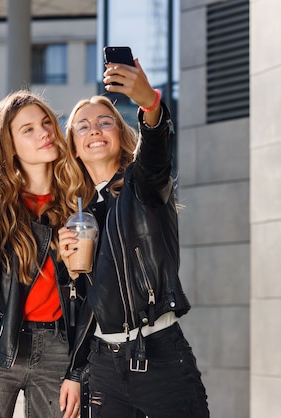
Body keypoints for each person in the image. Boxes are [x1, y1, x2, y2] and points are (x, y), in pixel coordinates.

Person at [58, 58, 210, 417]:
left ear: (121, 134)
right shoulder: (82, 216)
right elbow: (88, 308)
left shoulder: (142, 185)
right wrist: (71, 273)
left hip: (159, 357)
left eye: (104, 122)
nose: (94, 129)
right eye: (82, 126)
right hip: (103, 368)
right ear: (75, 148)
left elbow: (156, 151)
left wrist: (150, 104)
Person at [0, 90, 87, 418]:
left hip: (59, 350)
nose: (44, 132)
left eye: (46, 122)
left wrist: (78, 371)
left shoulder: (78, 202)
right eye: (27, 129)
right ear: (9, 145)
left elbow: (91, 295)